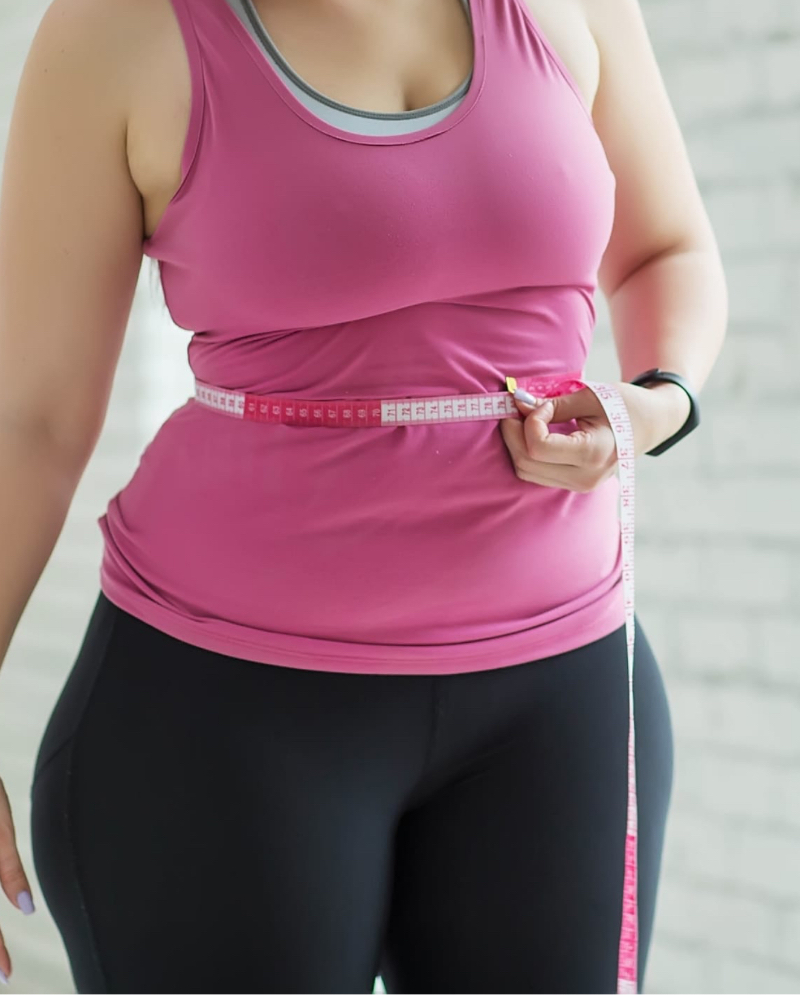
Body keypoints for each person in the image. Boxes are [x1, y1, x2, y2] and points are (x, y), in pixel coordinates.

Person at [0, 0, 727, 991]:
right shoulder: (116, 32)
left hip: (561, 691)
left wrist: (648, 409)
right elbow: (31, 420)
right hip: (221, 712)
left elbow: (663, 252)